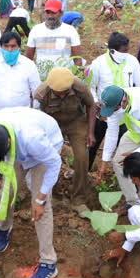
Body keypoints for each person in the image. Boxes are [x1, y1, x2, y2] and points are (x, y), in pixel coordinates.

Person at [0, 107, 64, 278]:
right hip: (16, 151)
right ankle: (4, 228)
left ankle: (48, 262)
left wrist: (40, 199)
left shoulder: (33, 139)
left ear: (7, 143)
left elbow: (54, 162)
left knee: (41, 207)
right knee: (6, 192)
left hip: (47, 150)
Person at [33, 67, 96, 202]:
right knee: (50, 157)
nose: (62, 95)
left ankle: (79, 197)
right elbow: (37, 117)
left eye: (65, 92)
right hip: (52, 124)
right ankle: (54, 195)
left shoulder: (80, 86)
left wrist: (90, 133)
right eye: (58, 93)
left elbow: (91, 106)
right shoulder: (41, 94)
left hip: (76, 122)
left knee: (82, 156)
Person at [87, 32, 140, 168]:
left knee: (125, 149)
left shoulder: (132, 61)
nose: (127, 53)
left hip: (125, 115)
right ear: (112, 51)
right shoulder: (98, 64)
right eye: (124, 51)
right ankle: (84, 173)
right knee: (92, 145)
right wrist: (96, 101)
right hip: (103, 113)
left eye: (128, 50)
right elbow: (90, 87)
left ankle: (123, 175)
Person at [0, 31, 40, 122]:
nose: (9, 49)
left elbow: (36, 93)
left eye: (13, 46)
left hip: (22, 117)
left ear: (19, 47)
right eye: (6, 46)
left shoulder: (29, 65)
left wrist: (36, 116)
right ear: (1, 47)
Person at [25, 0, 82, 78]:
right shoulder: (36, 31)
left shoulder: (70, 31)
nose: (50, 16)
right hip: (42, 79)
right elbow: (28, 59)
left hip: (64, 79)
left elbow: (78, 60)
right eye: (48, 12)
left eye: (53, 13)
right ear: (44, 13)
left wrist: (77, 79)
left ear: (61, 13)